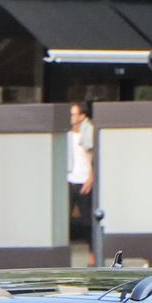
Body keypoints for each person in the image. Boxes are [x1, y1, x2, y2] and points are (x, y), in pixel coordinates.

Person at [66, 102, 94, 258]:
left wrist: (91, 179)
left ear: (82, 116)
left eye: (74, 114)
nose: (71, 117)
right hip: (70, 179)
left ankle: (92, 254)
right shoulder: (67, 135)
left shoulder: (88, 133)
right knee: (65, 219)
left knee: (86, 220)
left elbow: (96, 157)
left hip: (85, 180)